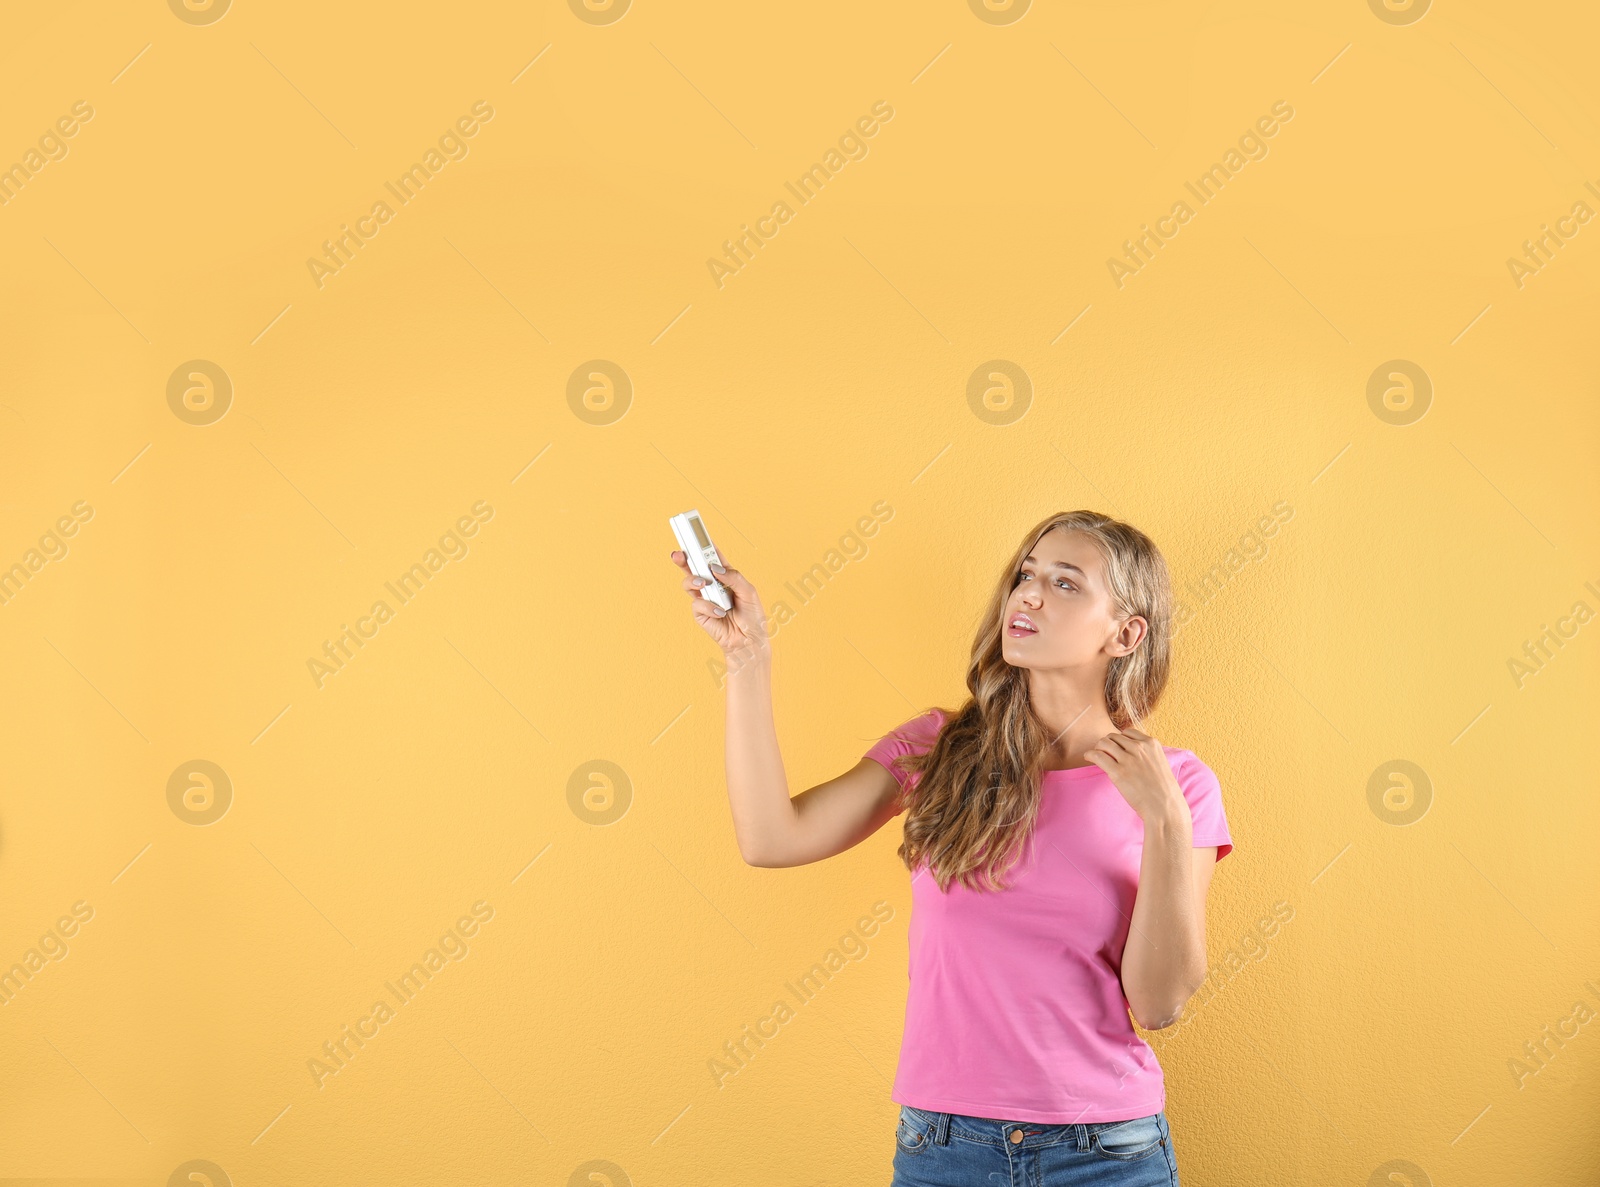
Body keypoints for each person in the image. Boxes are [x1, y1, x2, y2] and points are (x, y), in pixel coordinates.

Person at [670, 509, 1233, 1186]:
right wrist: (747, 657)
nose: (1027, 595)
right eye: (1026, 575)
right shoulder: (940, 748)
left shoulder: (1179, 785)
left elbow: (1160, 1001)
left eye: (1065, 583)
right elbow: (770, 837)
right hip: (944, 1146)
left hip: (1105, 1152)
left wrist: (1166, 821)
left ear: (1126, 632)